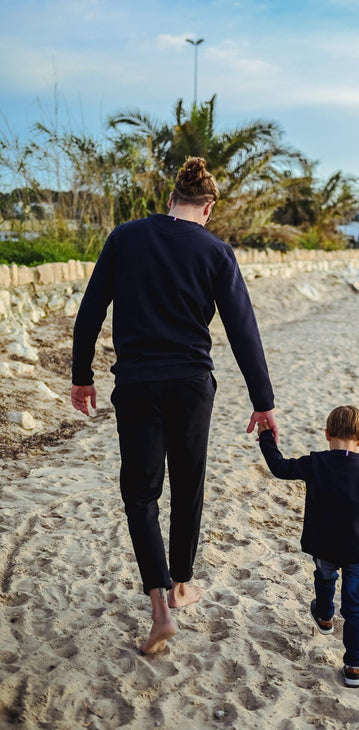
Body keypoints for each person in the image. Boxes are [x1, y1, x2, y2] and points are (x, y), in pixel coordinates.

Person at [71, 157, 277, 655]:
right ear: (207, 208)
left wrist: (82, 377)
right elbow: (242, 329)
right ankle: (181, 584)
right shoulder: (216, 251)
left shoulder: (124, 238)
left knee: (140, 494)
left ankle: (160, 609)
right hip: (191, 386)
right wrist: (262, 401)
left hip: (136, 384)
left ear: (170, 200)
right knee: (188, 486)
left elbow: (90, 311)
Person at [257, 405, 359, 688]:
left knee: (325, 577)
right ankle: (354, 666)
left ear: (327, 434)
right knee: (354, 606)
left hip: (324, 546)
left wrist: (267, 437)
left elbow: (280, 467)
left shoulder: (316, 462)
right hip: (358, 550)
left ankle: (324, 616)